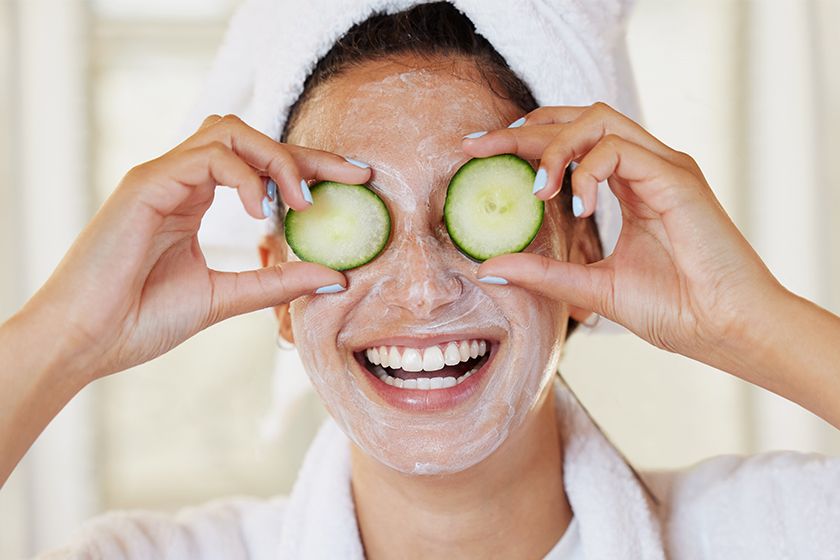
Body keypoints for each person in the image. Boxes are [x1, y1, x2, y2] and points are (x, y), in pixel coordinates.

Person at [3, 2, 840, 559]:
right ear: (280, 290)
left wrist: (750, 319)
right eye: (355, 224)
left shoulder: (771, 536)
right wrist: (65, 336)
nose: (421, 290)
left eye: (475, 215)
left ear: (583, 253)